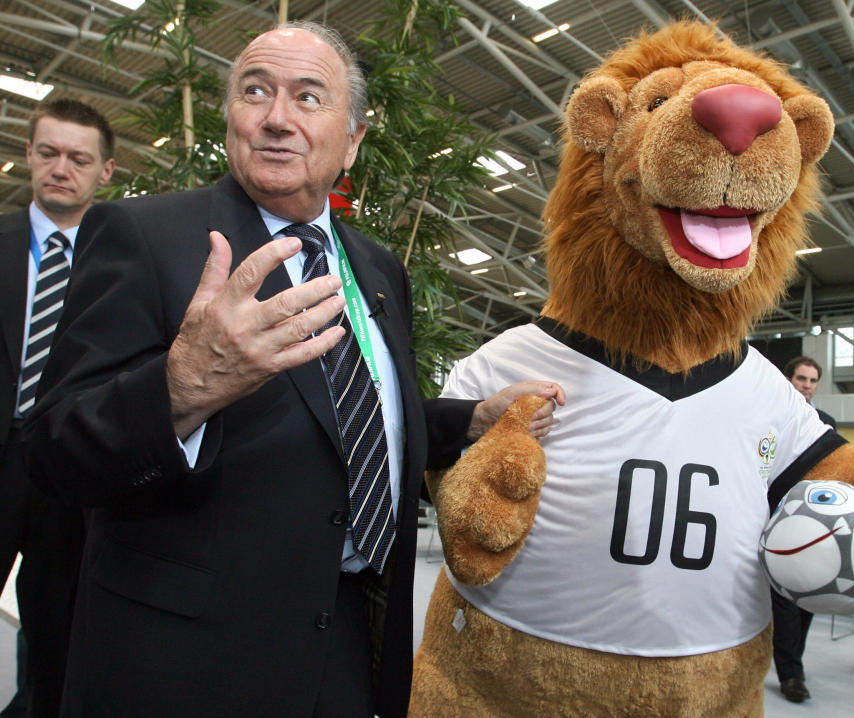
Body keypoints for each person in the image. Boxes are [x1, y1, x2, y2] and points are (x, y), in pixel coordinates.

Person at [23, 22, 561, 718]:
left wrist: (469, 420)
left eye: (309, 97)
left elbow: (355, 418)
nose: (278, 117)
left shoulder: (376, 269)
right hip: (188, 666)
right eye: (255, 91)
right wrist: (182, 388)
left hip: (346, 647)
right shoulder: (145, 237)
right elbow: (55, 449)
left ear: (354, 138)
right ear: (230, 117)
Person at [0, 98, 115, 718]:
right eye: (48, 153)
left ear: (106, 171)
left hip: (71, 473)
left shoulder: (124, 264)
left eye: (78, 158)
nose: (59, 168)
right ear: (28, 155)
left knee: (56, 630)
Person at [772, 355, 837, 702]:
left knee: (805, 596)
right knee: (781, 600)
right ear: (789, 378)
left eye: (813, 380)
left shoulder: (825, 423)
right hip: (767, 515)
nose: (807, 385)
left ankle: (792, 663)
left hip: (807, 522)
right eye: (801, 378)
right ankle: (790, 672)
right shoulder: (770, 413)